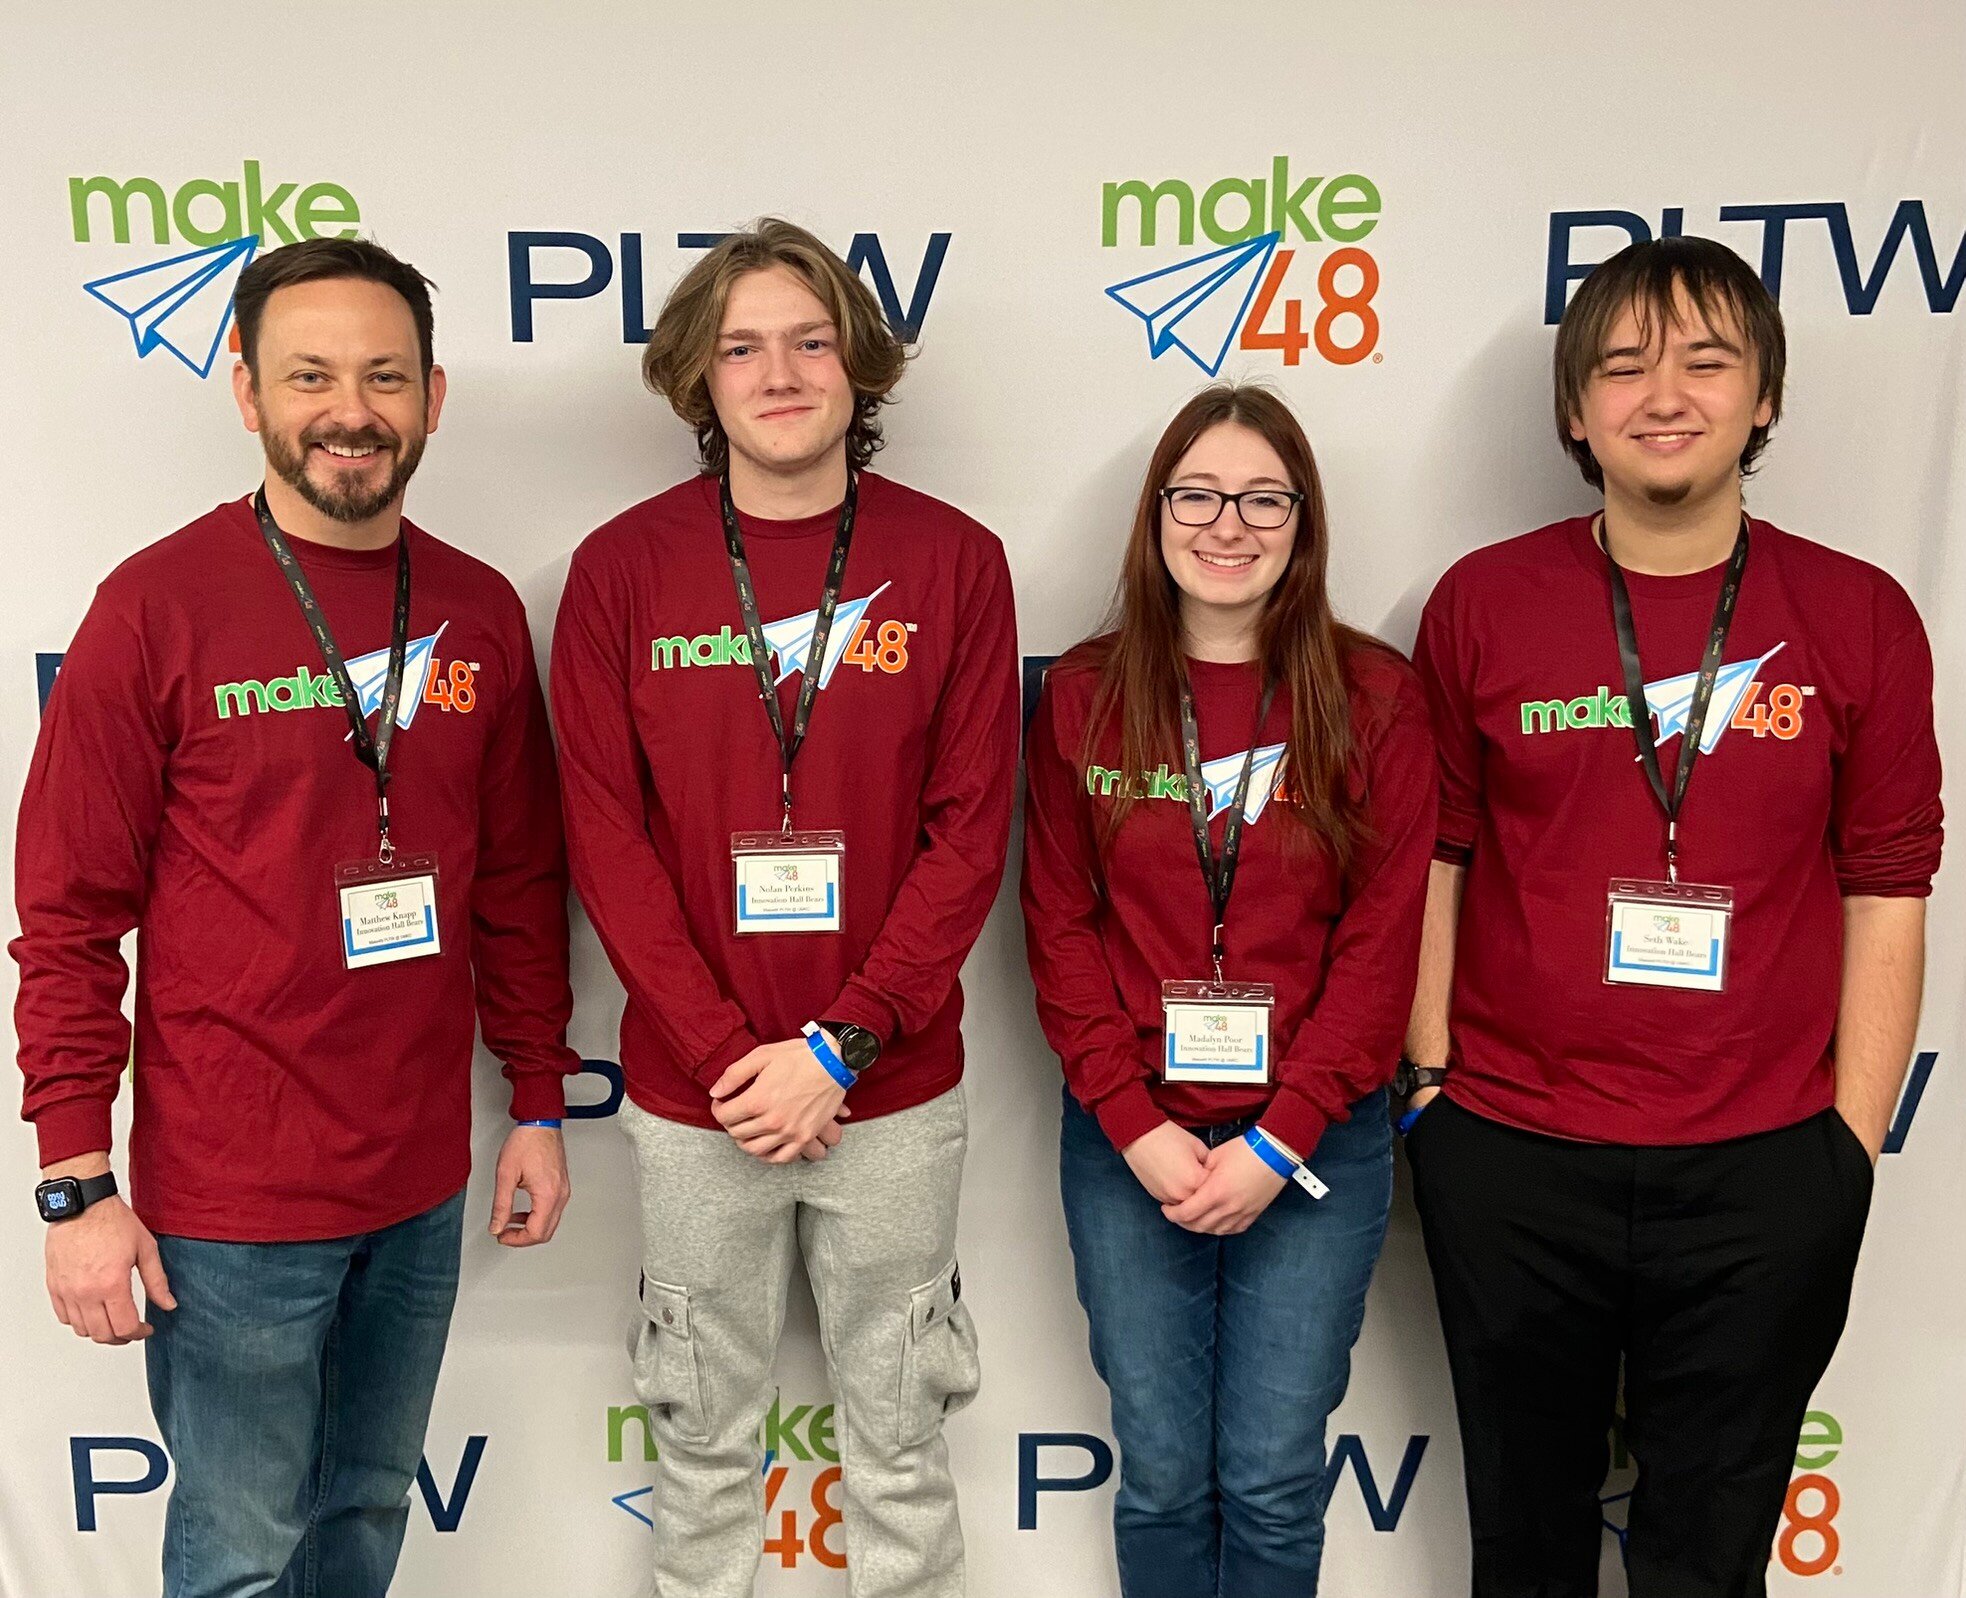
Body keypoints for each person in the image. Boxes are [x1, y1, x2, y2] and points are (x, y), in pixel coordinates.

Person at [12, 237, 578, 1597]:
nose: (351, 407)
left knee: (363, 1523)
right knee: (242, 1557)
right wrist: (77, 1178)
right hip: (231, 1202)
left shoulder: (478, 611)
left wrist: (545, 1103)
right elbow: (68, 916)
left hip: (417, 1183)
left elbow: (513, 887)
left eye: (384, 374)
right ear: (247, 392)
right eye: (311, 372)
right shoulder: (155, 607)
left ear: (433, 397)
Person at [1402, 235, 1941, 1597]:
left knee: (1706, 1562)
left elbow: (1887, 884)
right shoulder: (1481, 603)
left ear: (1761, 397)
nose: (1664, 393)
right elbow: (1436, 857)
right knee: (1524, 1549)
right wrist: (1428, 1095)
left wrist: (1849, 1144)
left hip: (1763, 1165)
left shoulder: (1859, 615)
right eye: (1623, 363)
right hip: (1514, 1151)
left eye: (1707, 360)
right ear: (1572, 409)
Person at [551, 217, 1017, 1598]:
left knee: (899, 1440)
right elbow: (605, 838)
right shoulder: (623, 568)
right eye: (741, 346)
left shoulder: (953, 563)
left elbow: (968, 832)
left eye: (810, 341)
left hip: (889, 1088)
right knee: (698, 1437)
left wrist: (838, 1045)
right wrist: (721, 1053)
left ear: (857, 365)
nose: (779, 373)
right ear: (697, 379)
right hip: (700, 1100)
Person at [1020, 383, 1436, 1597]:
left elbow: (1379, 946)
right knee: (1156, 1470)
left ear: (1303, 522)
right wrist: (1134, 1123)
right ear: (1155, 514)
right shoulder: (1084, 696)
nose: (1227, 523)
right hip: (1126, 1139)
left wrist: (1284, 1134)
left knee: (1266, 1475)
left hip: (1312, 1150)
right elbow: (1058, 927)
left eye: (1264, 497)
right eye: (1196, 493)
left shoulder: (1374, 699)